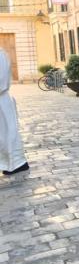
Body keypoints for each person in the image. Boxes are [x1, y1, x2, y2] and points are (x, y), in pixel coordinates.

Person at [0, 48, 29, 176]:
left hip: (1, 102)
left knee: (7, 135)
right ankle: (9, 164)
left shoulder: (0, 54)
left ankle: (16, 164)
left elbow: (1, 80)